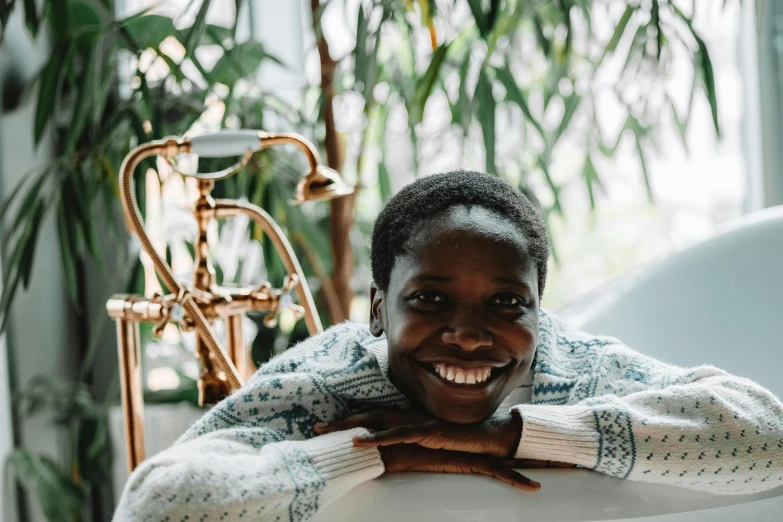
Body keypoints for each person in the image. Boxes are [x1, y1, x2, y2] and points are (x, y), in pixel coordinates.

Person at [113, 171, 783, 522]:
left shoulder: (570, 366)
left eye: (505, 304)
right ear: (376, 309)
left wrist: (511, 435)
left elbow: (771, 444)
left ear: (539, 315)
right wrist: (366, 452)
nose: (468, 334)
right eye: (429, 299)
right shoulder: (321, 387)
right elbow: (157, 509)